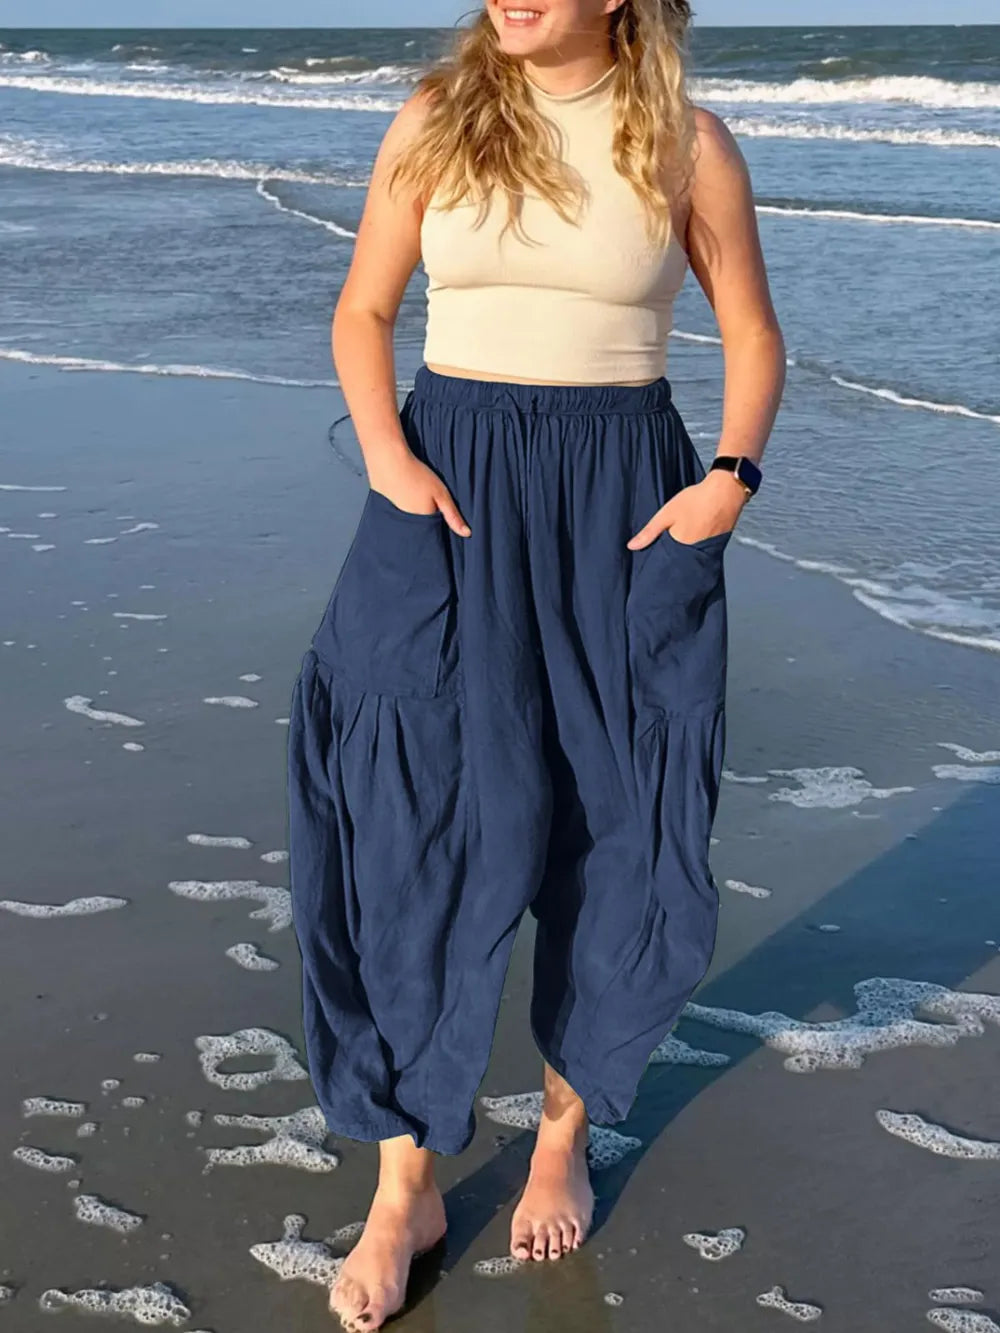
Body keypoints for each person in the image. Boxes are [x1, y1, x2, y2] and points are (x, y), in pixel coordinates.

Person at [286, 1, 785, 1328]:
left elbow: (750, 331)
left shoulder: (687, 144)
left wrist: (730, 477)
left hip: (623, 505)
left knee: (614, 824)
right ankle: (407, 1182)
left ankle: (562, 1123)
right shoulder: (435, 119)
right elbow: (364, 308)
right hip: (444, 496)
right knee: (410, 818)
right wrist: (388, 458)